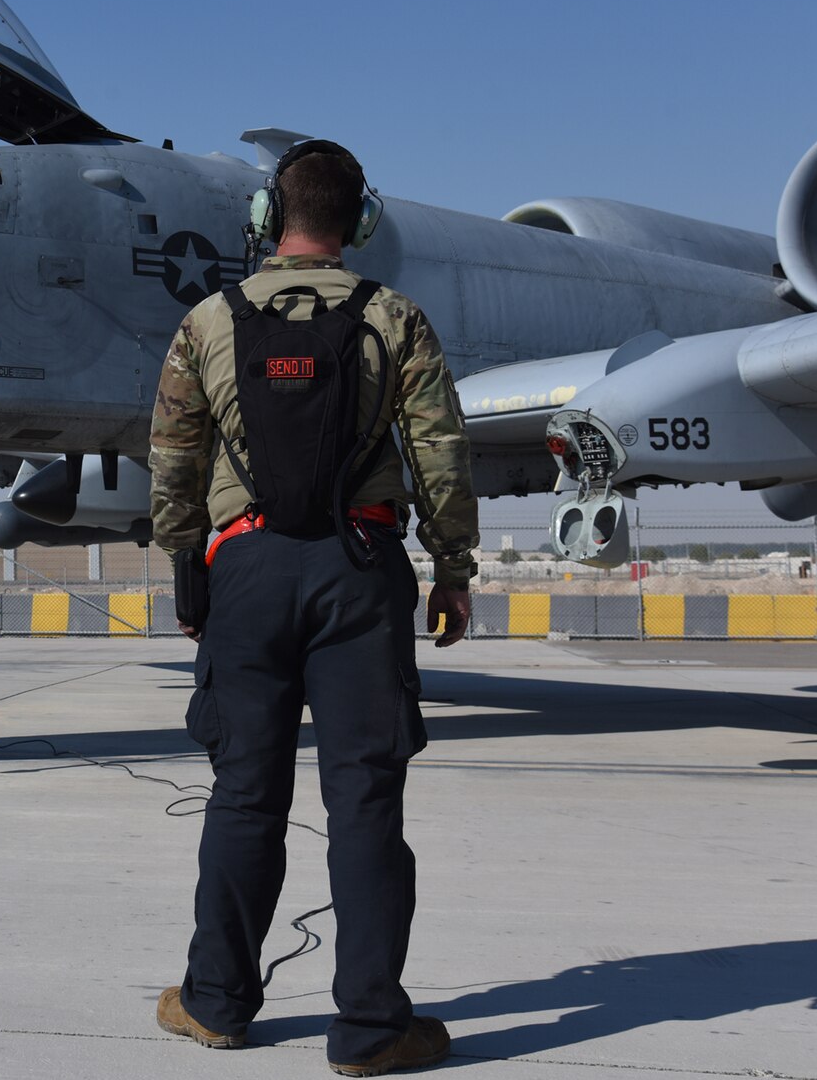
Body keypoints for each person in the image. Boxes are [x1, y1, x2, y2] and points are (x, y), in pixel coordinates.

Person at [148, 138, 478, 1075]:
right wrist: (453, 566)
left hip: (245, 573)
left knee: (244, 793)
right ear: (358, 221)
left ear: (267, 220)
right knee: (364, 799)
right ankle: (370, 1029)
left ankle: (215, 1002)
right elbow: (441, 453)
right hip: (360, 564)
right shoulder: (396, 318)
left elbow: (171, 457)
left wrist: (189, 567)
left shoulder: (210, 319)